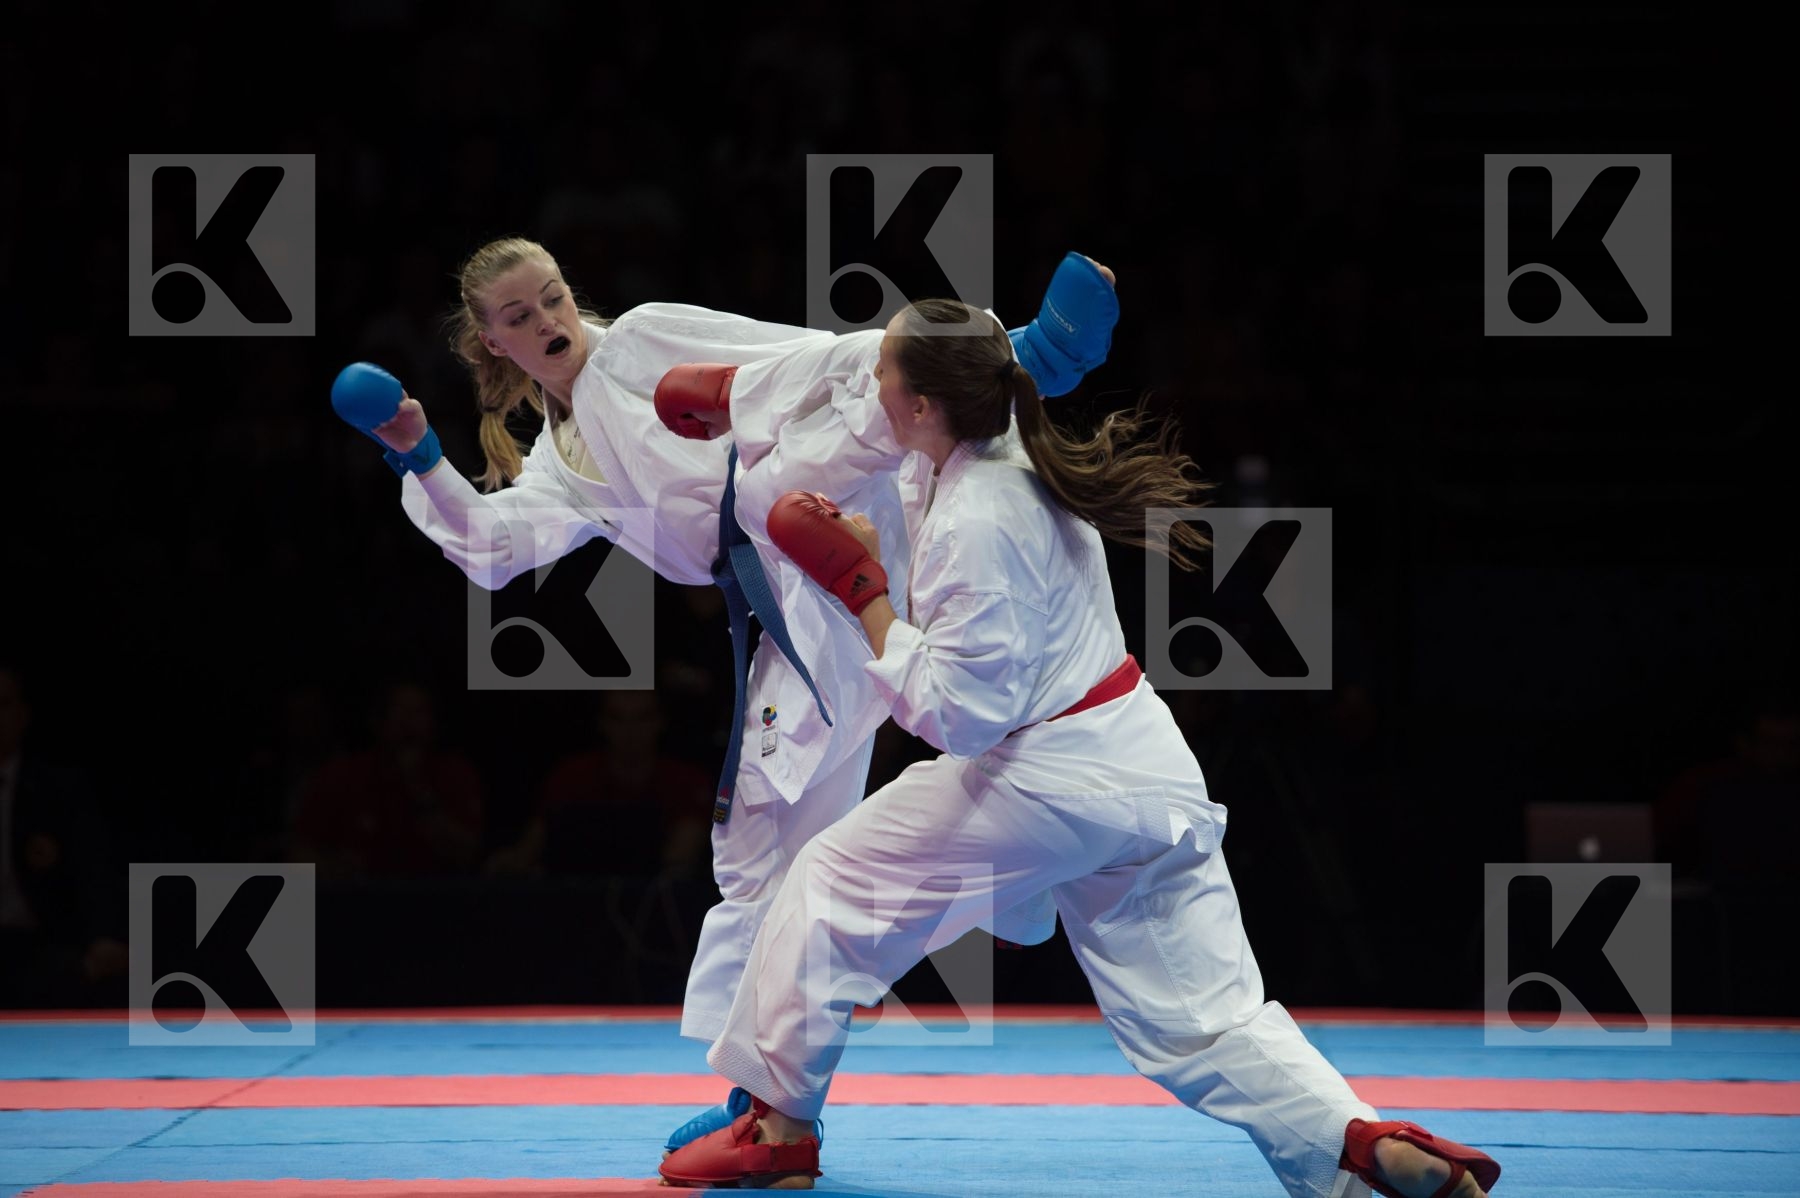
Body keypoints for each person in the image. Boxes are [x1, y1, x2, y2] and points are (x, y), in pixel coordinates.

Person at [658, 300, 1503, 1198]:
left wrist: (864, 592)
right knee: (1207, 1022)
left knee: (824, 886)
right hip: (1142, 766)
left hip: (1045, 775)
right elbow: (931, 382)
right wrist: (748, 399)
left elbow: (963, 718)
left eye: (885, 374)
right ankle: (1364, 1148)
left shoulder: (978, 514)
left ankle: (779, 1130)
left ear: (921, 404)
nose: (872, 384)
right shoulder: (1001, 450)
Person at [332, 237, 1119, 1147]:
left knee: (772, 843)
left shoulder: (642, 341)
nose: (546, 322)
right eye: (519, 318)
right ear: (489, 343)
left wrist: (976, 352)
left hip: (842, 520)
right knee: (771, 858)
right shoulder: (562, 459)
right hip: (805, 596)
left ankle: (1025, 351)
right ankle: (785, 1086)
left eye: (550, 299)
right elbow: (494, 546)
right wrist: (415, 455)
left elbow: (798, 360)